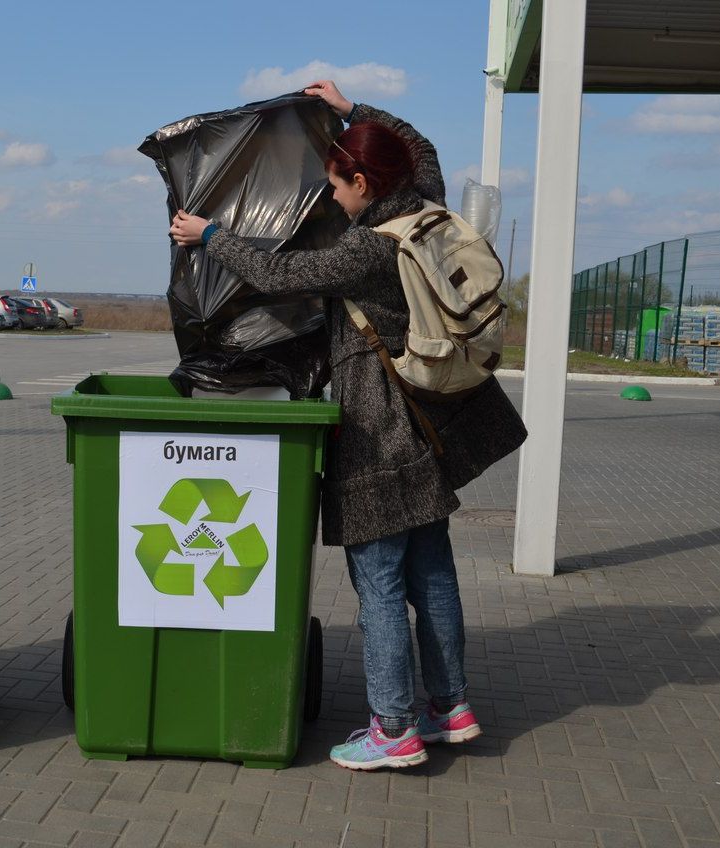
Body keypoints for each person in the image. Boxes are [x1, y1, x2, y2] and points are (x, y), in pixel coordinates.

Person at [169, 81, 527, 771]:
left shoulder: (368, 251)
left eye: (337, 185)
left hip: (381, 435)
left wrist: (208, 234)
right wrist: (352, 110)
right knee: (433, 574)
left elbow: (280, 274)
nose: (332, 198)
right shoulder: (425, 205)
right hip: (433, 427)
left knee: (381, 586)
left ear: (363, 181)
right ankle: (449, 707)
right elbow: (416, 148)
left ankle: (393, 728)